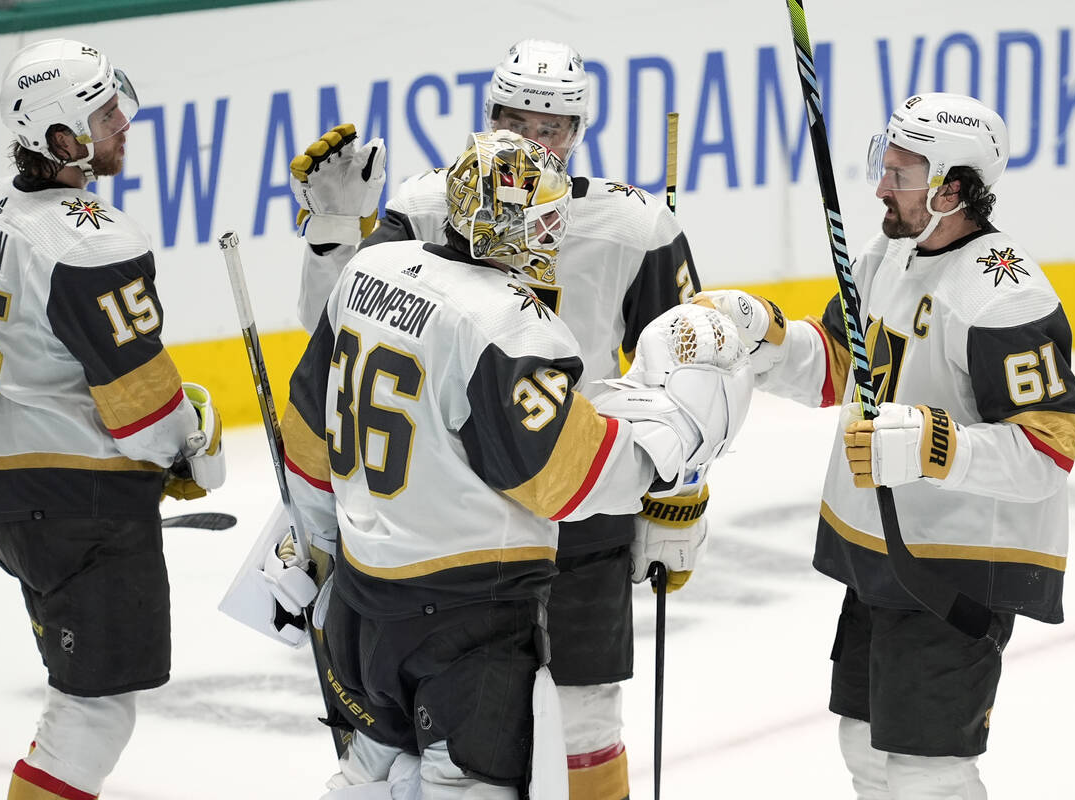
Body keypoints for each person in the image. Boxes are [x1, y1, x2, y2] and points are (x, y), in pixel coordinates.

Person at [269, 129, 752, 799]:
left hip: (362, 599)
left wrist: (316, 544)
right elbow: (569, 476)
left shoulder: (366, 274)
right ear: (504, 226)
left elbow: (306, 430)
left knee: (372, 776)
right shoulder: (506, 321)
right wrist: (680, 426)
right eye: (545, 220)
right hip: (466, 617)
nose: (557, 234)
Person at [703, 93, 1075, 799]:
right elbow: (842, 373)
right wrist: (766, 336)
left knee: (925, 776)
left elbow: (1049, 451)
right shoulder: (890, 253)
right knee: (865, 746)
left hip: (956, 568)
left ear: (955, 187)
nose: (881, 184)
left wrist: (936, 447)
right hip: (883, 552)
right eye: (886, 162)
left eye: (903, 173)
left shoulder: (1006, 297)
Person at [0, 39, 224, 800]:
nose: (122, 122)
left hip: (1, 494)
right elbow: (137, 394)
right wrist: (185, 450)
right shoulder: (91, 238)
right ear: (61, 138)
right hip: (77, 506)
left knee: (79, 703)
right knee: (92, 715)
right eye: (102, 113)